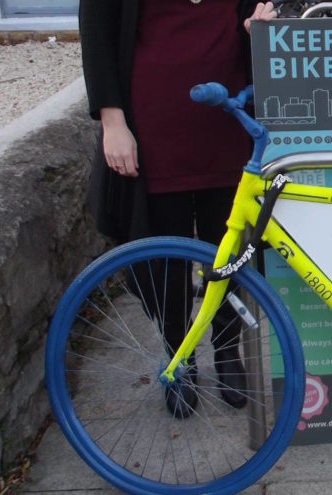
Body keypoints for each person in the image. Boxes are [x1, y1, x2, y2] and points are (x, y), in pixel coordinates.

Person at [78, 0, 277, 419]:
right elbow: (97, 31)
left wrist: (260, 28)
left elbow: (269, 17)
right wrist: (112, 125)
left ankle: (228, 352)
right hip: (153, 133)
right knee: (163, 265)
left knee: (228, 258)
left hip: (228, 127)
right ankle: (178, 357)